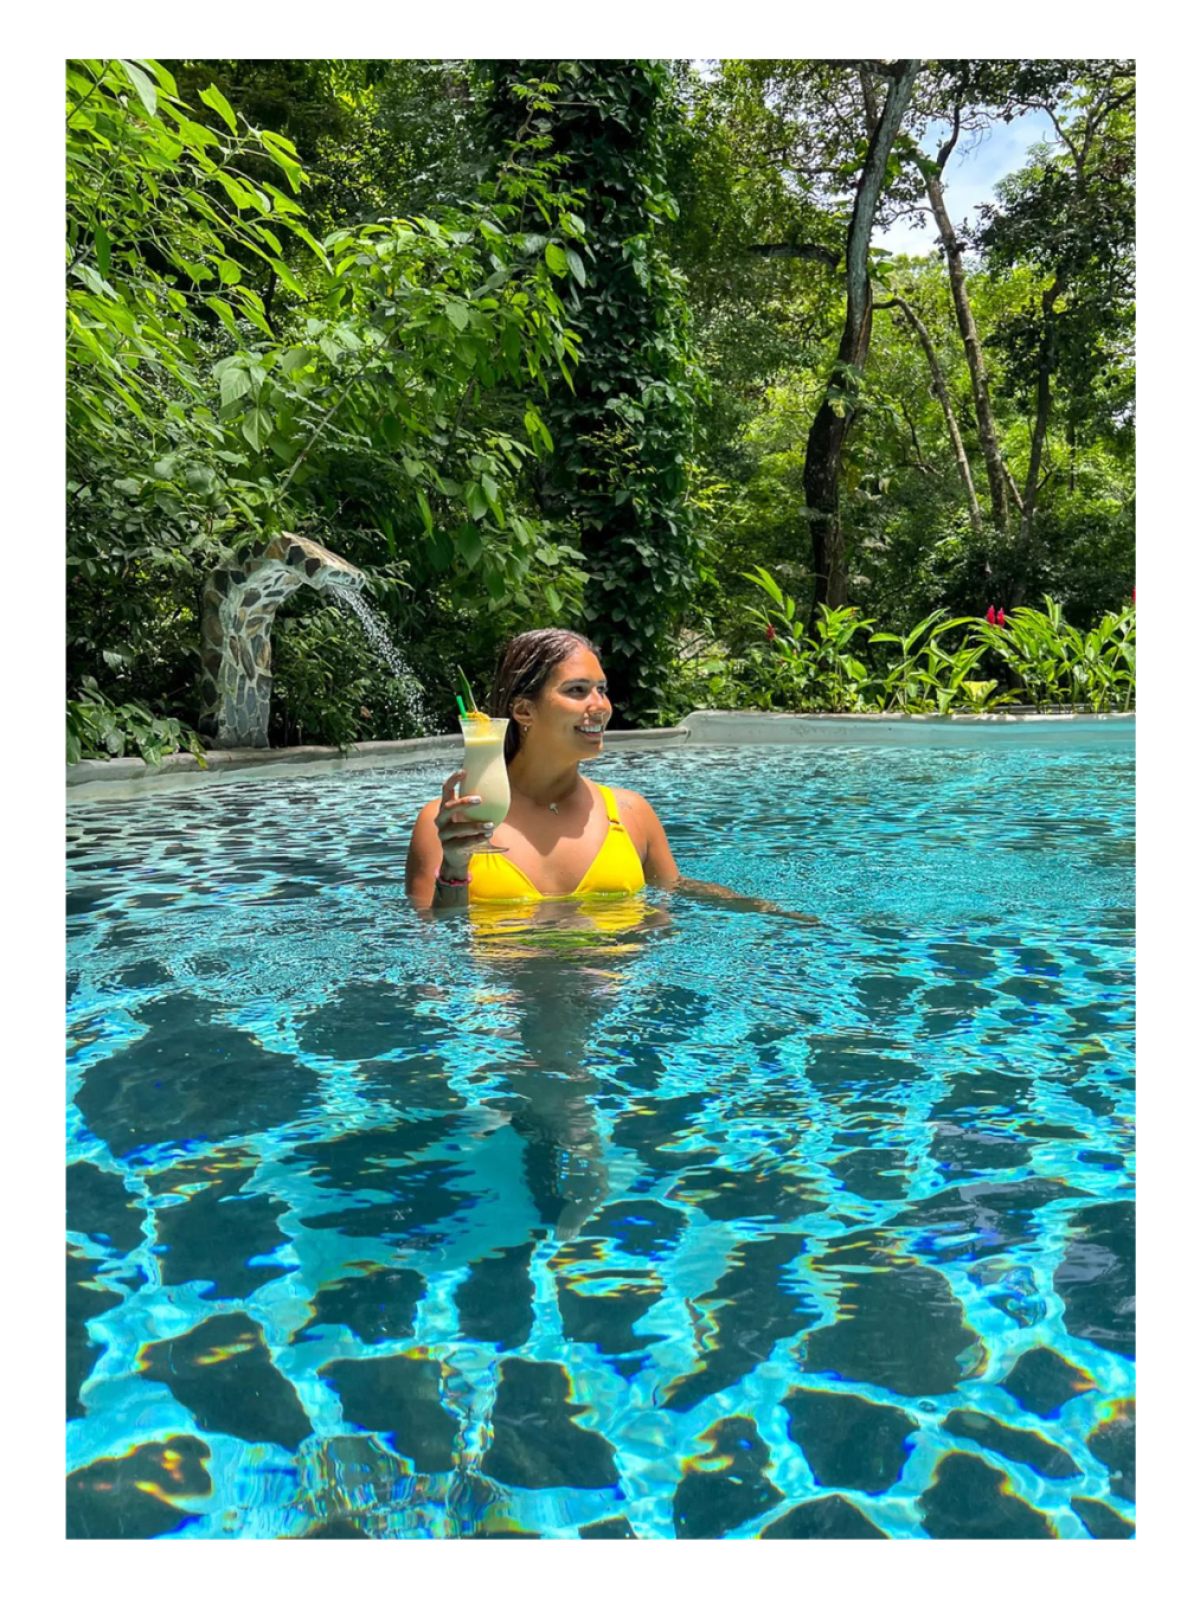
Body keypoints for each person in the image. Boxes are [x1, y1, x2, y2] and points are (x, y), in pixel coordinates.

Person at [404, 627, 817, 924]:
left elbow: (671, 893)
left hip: (614, 1019)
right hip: (500, 1023)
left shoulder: (631, 813)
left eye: (601, 689)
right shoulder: (452, 821)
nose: (600, 706)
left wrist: (765, 911)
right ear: (524, 711)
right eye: (577, 691)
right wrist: (455, 869)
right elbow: (435, 949)